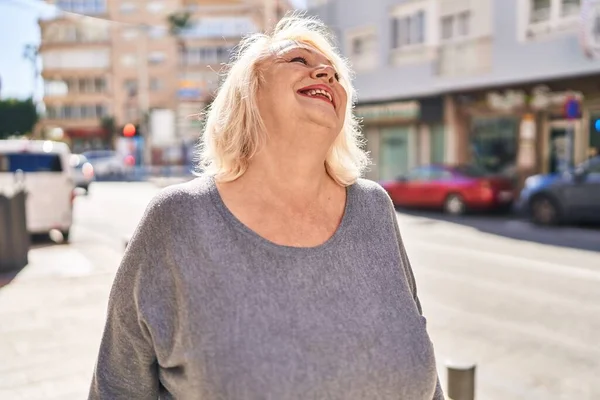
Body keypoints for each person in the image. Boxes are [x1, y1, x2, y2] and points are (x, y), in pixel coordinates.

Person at [89, 14, 444, 400]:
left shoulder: (375, 208)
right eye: (298, 61)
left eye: (336, 74)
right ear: (249, 93)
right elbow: (116, 389)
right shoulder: (177, 220)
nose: (326, 72)